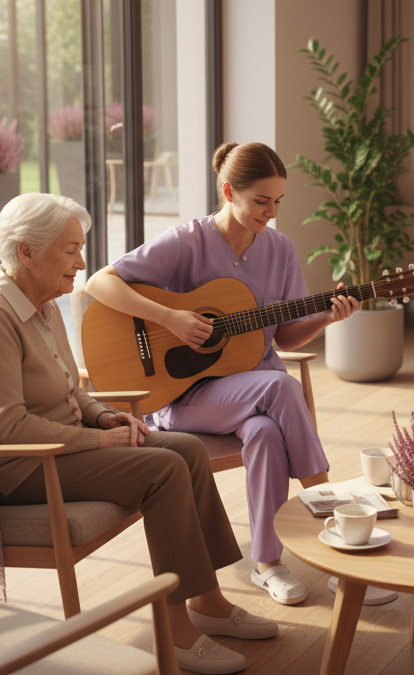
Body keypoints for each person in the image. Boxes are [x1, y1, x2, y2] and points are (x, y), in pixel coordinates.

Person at [0, 192, 274, 675]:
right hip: (17, 466)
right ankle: (175, 630)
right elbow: (8, 425)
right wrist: (100, 440)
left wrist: (102, 416)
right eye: (70, 250)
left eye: (80, 248)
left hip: (62, 444)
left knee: (186, 450)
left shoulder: (42, 301)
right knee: (162, 468)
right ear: (26, 252)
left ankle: (208, 600)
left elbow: (67, 385)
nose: (81, 262)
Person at [86, 142, 359, 606]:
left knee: (266, 432)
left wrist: (327, 318)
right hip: (182, 398)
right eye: (261, 201)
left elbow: (285, 339)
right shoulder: (186, 241)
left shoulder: (280, 249)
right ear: (229, 191)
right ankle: (334, 514)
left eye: (277, 202)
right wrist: (171, 318)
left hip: (253, 393)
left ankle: (268, 563)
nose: (270, 213)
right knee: (280, 386)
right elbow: (99, 282)